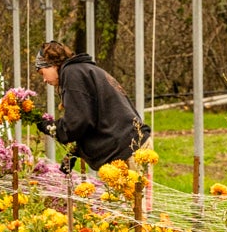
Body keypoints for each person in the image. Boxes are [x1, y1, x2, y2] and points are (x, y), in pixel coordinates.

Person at [33, 39, 150, 172]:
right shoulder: (83, 70)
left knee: (126, 193)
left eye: (42, 73)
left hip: (127, 151)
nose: (44, 79)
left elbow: (76, 123)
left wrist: (47, 126)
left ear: (52, 64)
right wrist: (74, 153)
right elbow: (92, 119)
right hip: (135, 144)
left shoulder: (72, 74)